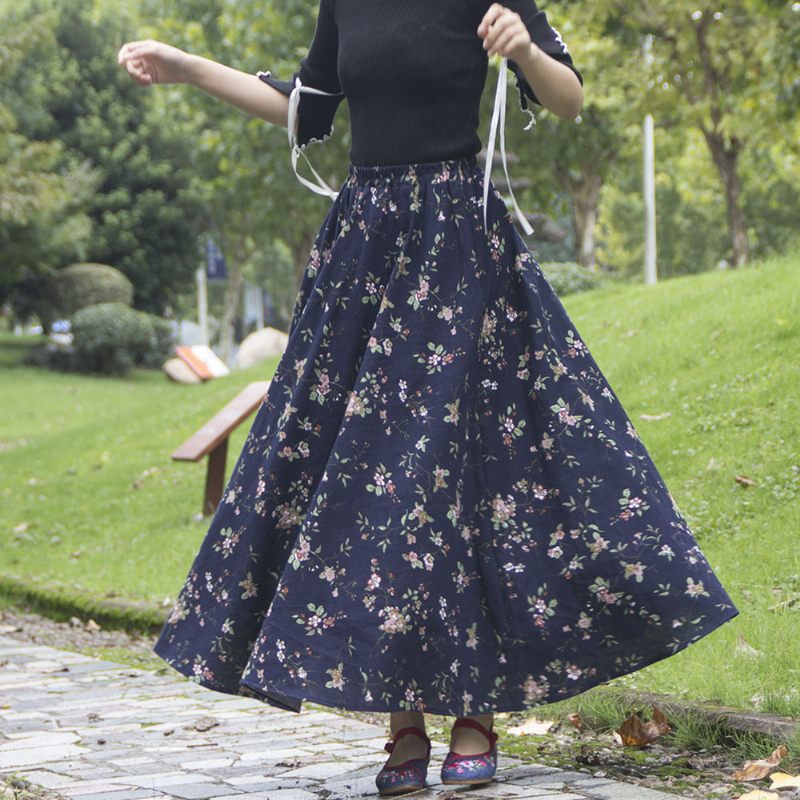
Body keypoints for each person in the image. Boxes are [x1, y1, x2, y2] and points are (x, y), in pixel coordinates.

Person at [118, 0, 740, 795]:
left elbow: (570, 96)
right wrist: (185, 66)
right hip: (366, 257)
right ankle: (403, 727)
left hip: (460, 253)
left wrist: (523, 51)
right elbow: (303, 105)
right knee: (378, 490)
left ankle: (474, 718)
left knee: (465, 481)